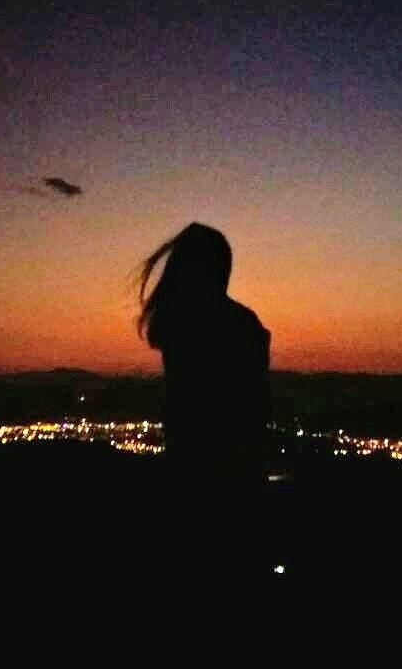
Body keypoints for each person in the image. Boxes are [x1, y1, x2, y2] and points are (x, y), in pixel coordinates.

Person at [137, 222, 273, 577]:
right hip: (231, 481)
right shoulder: (238, 324)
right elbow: (253, 408)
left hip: (188, 478)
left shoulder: (176, 324)